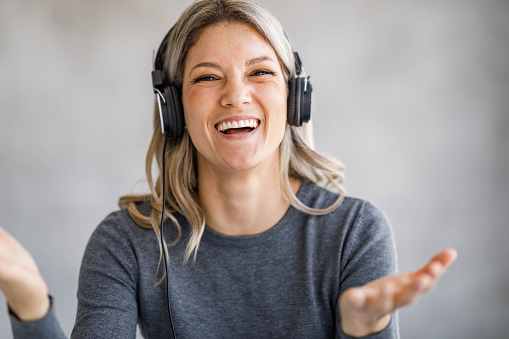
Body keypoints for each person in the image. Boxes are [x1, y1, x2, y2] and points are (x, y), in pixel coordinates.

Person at [0, 0, 457, 338]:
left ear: (294, 99)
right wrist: (30, 305)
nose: (236, 96)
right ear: (172, 108)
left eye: (260, 73)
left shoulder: (355, 231)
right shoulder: (126, 242)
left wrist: (362, 332)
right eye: (206, 76)